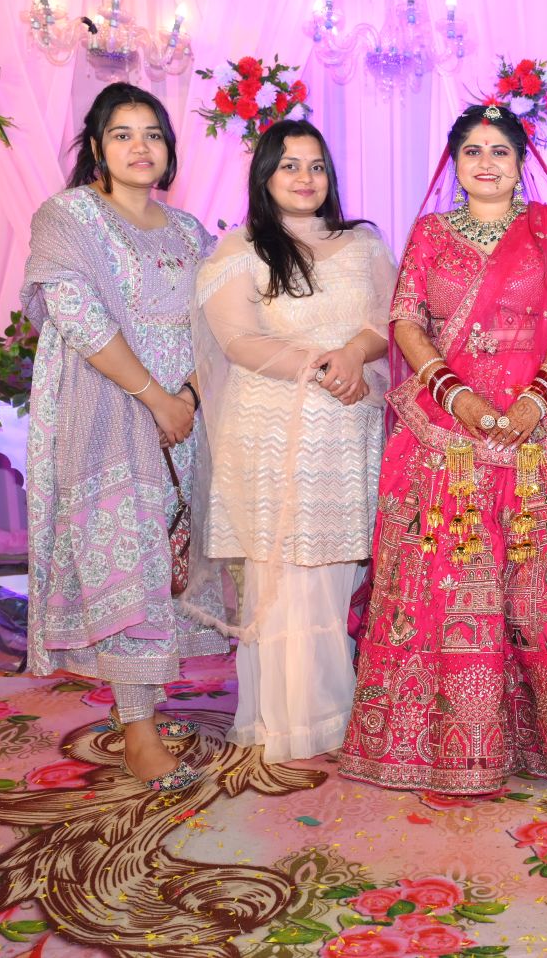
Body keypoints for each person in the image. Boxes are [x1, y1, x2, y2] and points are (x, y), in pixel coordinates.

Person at [337, 104, 547, 794]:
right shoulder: (430, 233)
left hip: (537, 428)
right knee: (454, 583)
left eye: (500, 152)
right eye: (472, 151)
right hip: (447, 430)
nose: (486, 163)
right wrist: (455, 395)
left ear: (521, 163)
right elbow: (406, 320)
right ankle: (454, 745)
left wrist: (536, 399)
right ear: (454, 164)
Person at [22, 83, 228, 792]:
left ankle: (145, 704)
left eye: (153, 134)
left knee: (167, 557)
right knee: (124, 560)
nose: (141, 147)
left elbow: (219, 321)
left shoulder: (191, 232)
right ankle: (137, 731)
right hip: (107, 407)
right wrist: (154, 398)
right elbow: (76, 314)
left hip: (184, 417)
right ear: (96, 147)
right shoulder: (68, 216)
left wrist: (188, 400)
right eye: (123, 134)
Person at [193, 120, 393, 763]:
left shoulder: (363, 243)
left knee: (339, 570)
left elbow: (387, 321)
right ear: (265, 175)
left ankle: (339, 706)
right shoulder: (241, 248)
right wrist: (321, 366)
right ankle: (296, 720)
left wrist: (352, 355)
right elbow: (237, 341)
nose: (305, 178)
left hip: (348, 423)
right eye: (289, 165)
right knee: (287, 571)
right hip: (275, 426)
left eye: (316, 166)